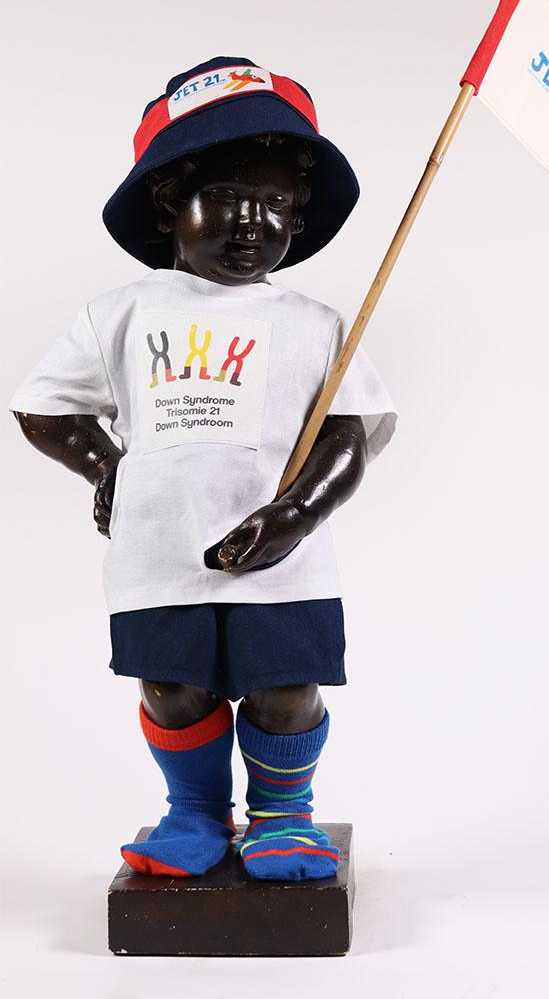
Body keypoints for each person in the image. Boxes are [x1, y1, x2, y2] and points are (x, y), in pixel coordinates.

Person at [8, 57, 396, 882]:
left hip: (284, 563)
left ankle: (283, 816)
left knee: (285, 689)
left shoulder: (317, 325)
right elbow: (43, 407)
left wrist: (297, 514)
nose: (253, 223)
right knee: (171, 688)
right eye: (225, 197)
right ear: (166, 201)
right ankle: (193, 811)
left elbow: (349, 436)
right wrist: (107, 471)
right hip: (158, 555)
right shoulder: (119, 313)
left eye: (276, 203)